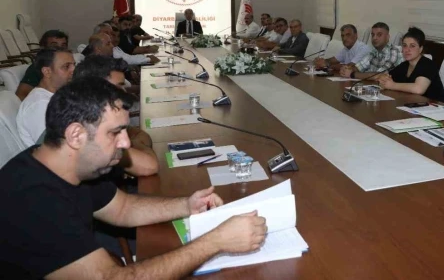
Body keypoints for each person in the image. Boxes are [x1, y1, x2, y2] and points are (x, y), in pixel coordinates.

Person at [0, 78, 267, 278]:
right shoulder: (31, 199)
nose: (126, 143)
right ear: (76, 135)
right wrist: (216, 242)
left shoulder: (70, 165)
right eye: (115, 132)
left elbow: (124, 208)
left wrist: (187, 205)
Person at [73, 55, 158, 177]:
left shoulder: (103, 117)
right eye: (118, 87)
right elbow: (149, 165)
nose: (124, 92)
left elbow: (143, 135)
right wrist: (135, 144)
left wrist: (132, 143)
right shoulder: (88, 128)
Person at [16, 48, 76, 147]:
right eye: (66, 66)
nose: (73, 70)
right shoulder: (39, 105)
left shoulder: (58, 95)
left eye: (74, 65)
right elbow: (52, 147)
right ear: (47, 71)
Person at [377, 27, 444, 103]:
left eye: (412, 46)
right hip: (414, 105)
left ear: (420, 49)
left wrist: (392, 85)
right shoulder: (404, 65)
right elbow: (387, 77)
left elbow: (418, 89)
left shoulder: (428, 65)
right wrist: (383, 79)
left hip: (438, 107)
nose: (407, 50)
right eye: (404, 45)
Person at [15, 29, 69, 100]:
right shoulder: (36, 68)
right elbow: (21, 95)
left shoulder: (70, 66)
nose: (60, 49)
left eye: (63, 46)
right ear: (44, 48)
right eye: (54, 45)